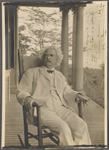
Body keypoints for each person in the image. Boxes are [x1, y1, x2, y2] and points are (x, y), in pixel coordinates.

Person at [16, 46, 91, 146]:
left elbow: (67, 91)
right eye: (46, 55)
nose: (48, 57)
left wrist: (77, 95)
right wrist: (28, 98)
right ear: (43, 58)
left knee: (81, 125)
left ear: (57, 59)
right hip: (42, 108)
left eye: (51, 55)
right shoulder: (31, 72)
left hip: (60, 107)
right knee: (63, 127)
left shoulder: (59, 75)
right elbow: (22, 91)